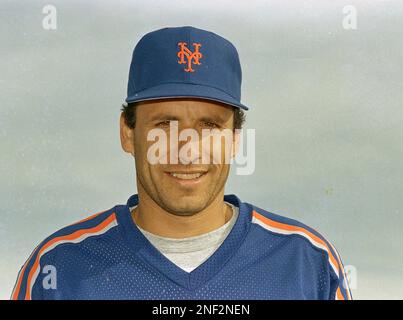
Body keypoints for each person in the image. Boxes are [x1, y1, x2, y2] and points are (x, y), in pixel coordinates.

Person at [11, 26, 352, 300]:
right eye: (164, 125)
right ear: (128, 133)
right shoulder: (58, 269)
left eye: (209, 126)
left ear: (235, 139)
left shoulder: (308, 263)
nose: (188, 151)